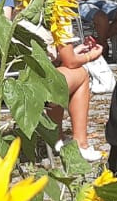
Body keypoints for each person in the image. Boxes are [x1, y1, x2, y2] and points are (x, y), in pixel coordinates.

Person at [21, 15, 105, 163]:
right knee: (80, 74)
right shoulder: (58, 9)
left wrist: (74, 51)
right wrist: (90, 56)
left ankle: (57, 138)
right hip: (37, 86)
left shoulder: (20, 6)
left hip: (10, 80)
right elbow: (71, 62)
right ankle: (80, 144)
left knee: (57, 70)